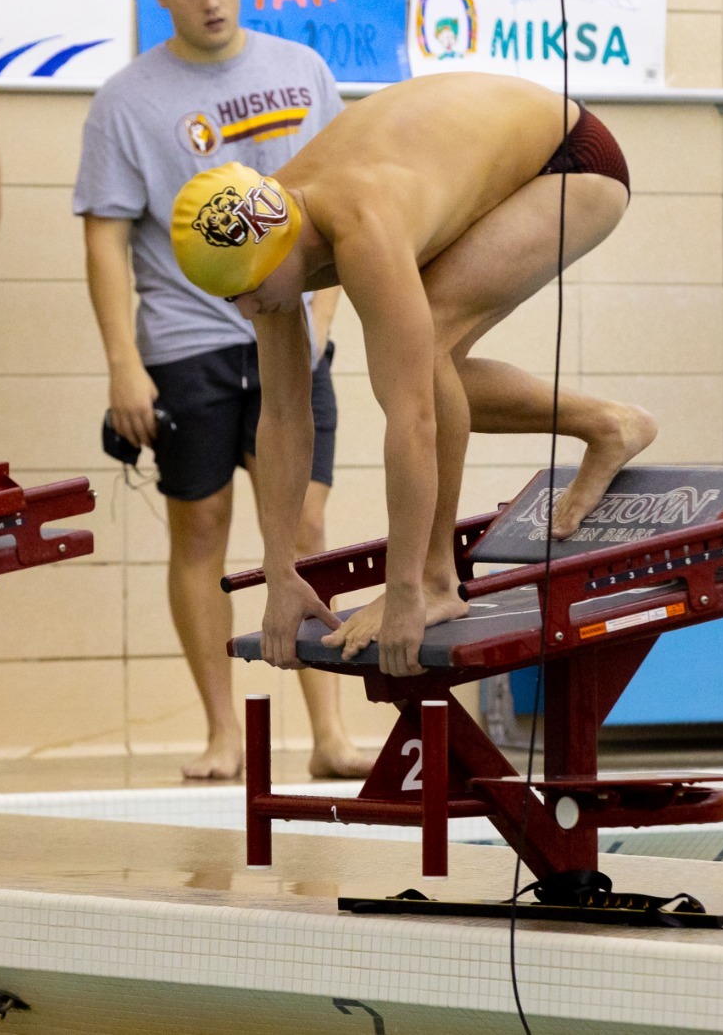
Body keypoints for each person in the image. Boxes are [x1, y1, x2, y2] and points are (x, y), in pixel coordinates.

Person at [173, 74, 652, 681]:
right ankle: (610, 425)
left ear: (282, 250)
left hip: (571, 161)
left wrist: (405, 589)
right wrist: (280, 571)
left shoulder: (361, 224)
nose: (245, 310)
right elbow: (285, 415)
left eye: (247, 291)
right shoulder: (264, 227)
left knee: (426, 356)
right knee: (427, 363)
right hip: (488, 160)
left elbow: (413, 418)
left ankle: (435, 578)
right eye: (229, 298)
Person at [75, 0, 368, 779]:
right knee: (200, 528)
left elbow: (344, 198)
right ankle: (221, 733)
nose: (210, 1)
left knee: (304, 525)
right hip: (187, 338)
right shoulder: (126, 100)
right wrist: (123, 363)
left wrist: (326, 316)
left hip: (295, 330)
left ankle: (329, 732)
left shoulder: (301, 69)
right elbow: (104, 238)